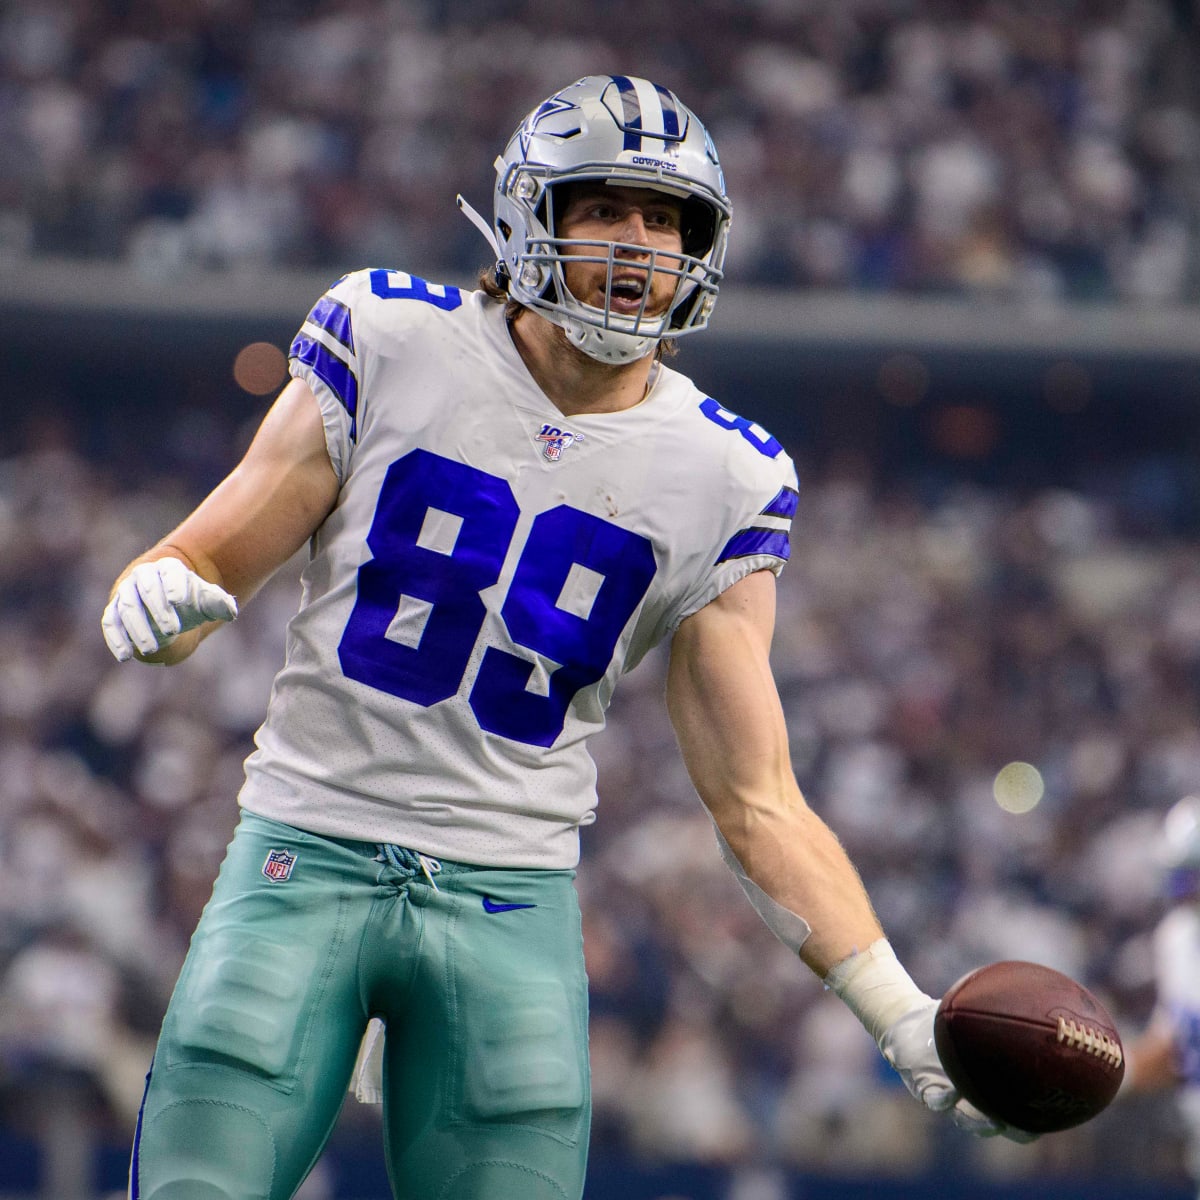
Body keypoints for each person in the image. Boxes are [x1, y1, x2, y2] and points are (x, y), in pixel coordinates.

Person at [102, 74, 1024, 1200]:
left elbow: (757, 800)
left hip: (509, 902)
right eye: (606, 209)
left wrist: (902, 1014)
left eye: (666, 220)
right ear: (530, 217)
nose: (640, 245)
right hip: (305, 850)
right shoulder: (393, 337)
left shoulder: (725, 474)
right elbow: (203, 563)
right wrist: (159, 602)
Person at [1123, 796, 1200, 1195]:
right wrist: (1099, 1077)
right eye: (1181, 880)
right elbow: (1174, 1047)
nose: (1186, 894)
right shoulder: (1179, 937)